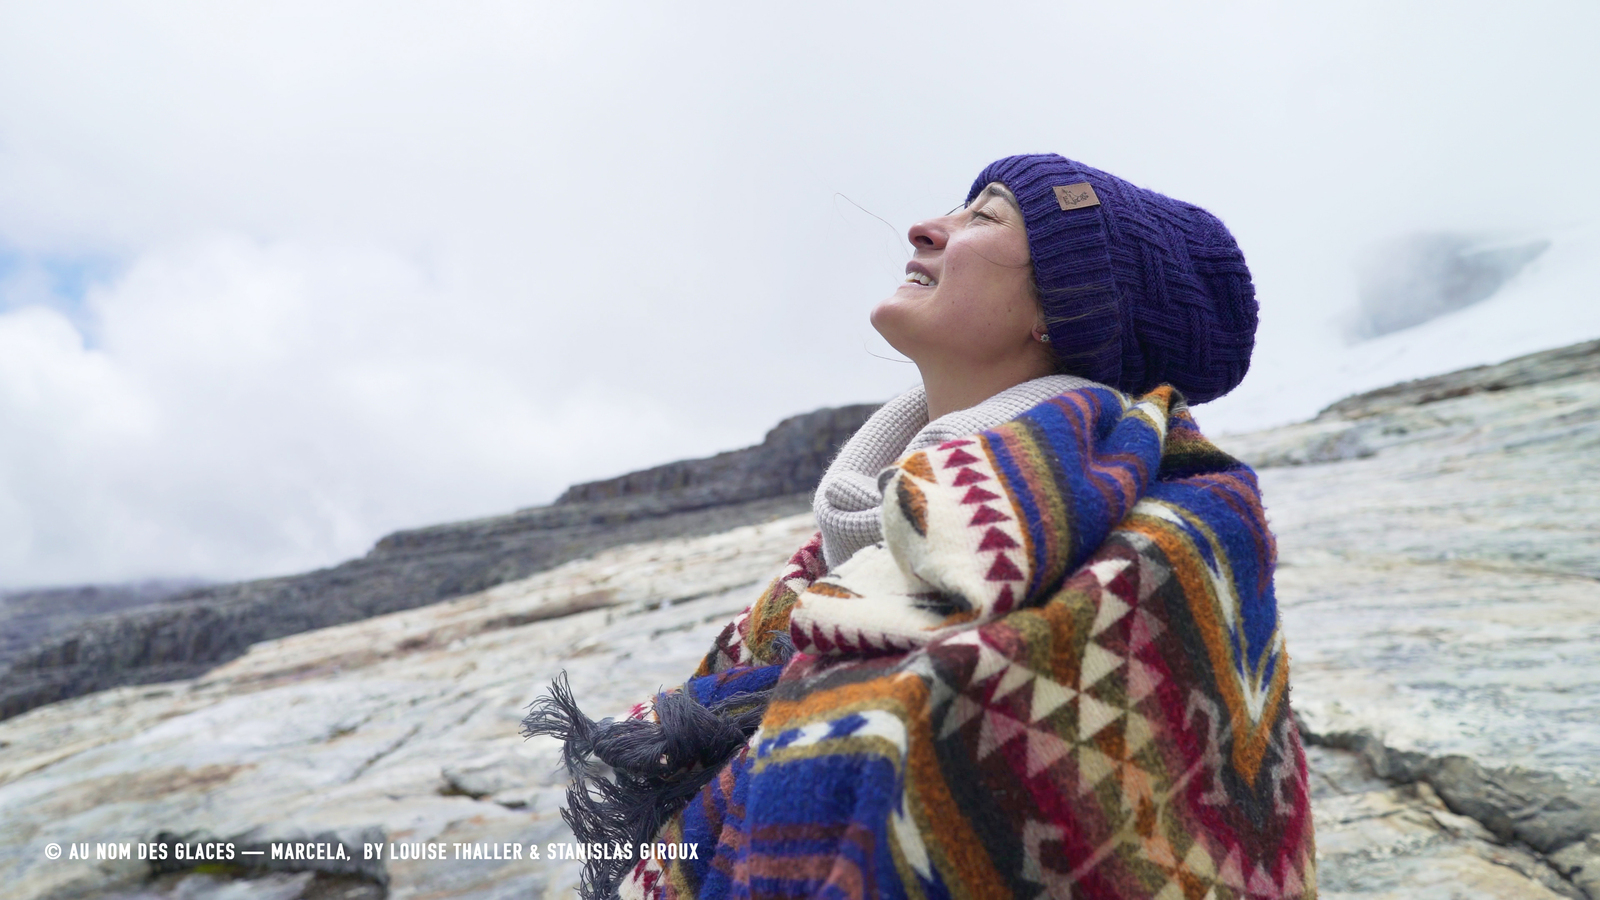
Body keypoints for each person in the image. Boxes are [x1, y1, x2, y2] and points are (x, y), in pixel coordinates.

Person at [526, 154, 1317, 900]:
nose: (924, 228)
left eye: (985, 216)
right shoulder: (841, 552)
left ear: (1065, 306)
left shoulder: (1171, 531)